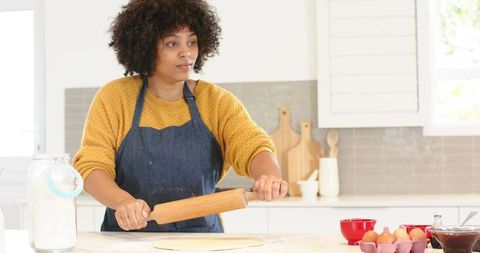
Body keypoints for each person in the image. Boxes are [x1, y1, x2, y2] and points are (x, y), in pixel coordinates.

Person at [73, 0, 287, 233]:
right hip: (127, 240)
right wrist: (122, 202)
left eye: (192, 42)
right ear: (145, 46)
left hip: (200, 240)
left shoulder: (216, 101)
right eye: (172, 43)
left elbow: (253, 146)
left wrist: (269, 177)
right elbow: (92, 167)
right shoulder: (115, 97)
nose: (186, 53)